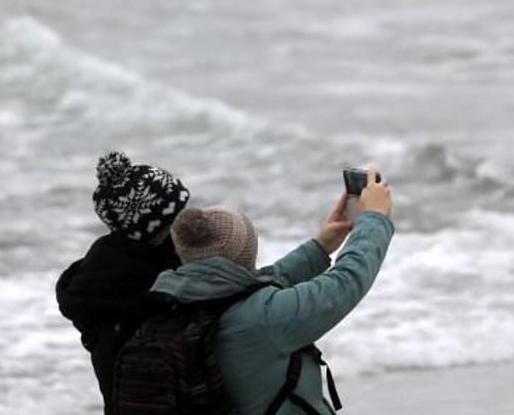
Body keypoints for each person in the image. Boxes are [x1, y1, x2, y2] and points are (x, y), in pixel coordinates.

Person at [150, 168, 394, 415]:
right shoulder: (264, 319)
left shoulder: (175, 302)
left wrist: (319, 248)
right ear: (245, 253)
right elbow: (347, 282)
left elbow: (261, 280)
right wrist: (373, 218)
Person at [55, 151, 190, 415]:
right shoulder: (130, 286)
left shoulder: (113, 267)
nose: (188, 220)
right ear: (156, 227)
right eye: (179, 214)